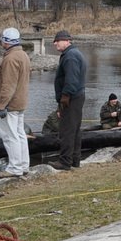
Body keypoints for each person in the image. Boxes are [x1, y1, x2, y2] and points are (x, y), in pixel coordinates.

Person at [0, 27, 32, 178]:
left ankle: (14, 168)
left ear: (6, 42)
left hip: (10, 105)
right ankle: (24, 165)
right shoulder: (23, 55)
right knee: (20, 135)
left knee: (10, 136)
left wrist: (2, 106)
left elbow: (8, 85)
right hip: (20, 102)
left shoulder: (10, 58)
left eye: (2, 39)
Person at [52, 30, 87, 171]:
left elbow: (71, 79)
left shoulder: (70, 56)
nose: (55, 43)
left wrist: (64, 97)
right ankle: (75, 160)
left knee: (67, 130)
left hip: (72, 98)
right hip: (77, 96)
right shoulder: (73, 53)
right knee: (75, 130)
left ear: (67, 41)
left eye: (57, 40)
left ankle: (65, 162)